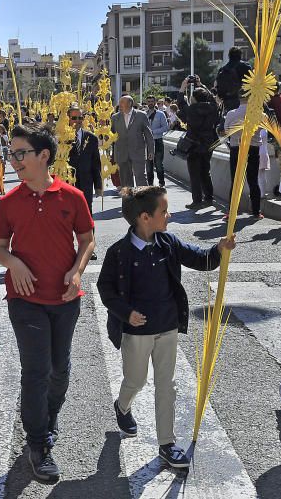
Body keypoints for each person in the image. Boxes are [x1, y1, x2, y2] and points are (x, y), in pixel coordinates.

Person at [97, 186, 234, 469]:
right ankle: (122, 407)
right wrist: (126, 313)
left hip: (168, 326)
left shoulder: (168, 243)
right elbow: (105, 288)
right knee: (136, 381)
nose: (169, 216)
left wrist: (219, 249)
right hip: (136, 332)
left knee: (166, 386)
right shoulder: (119, 252)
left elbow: (200, 259)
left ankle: (167, 444)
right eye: (164, 211)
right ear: (145, 217)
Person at [0, 123, 94, 483]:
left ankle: (48, 421)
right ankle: (38, 443)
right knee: (35, 371)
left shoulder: (73, 196)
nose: (14, 160)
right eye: (12, 153)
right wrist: (13, 263)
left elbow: (87, 239)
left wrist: (78, 272)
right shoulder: (8, 202)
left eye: (20, 153)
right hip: (25, 299)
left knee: (60, 369)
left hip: (65, 298)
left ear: (43, 156)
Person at [175, 83, 220, 208]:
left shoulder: (191, 110)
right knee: (205, 171)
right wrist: (201, 85)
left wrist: (183, 85)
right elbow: (212, 98)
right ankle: (209, 197)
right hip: (208, 144)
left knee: (194, 174)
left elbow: (180, 101)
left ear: (194, 98)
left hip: (193, 144)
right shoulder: (213, 108)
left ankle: (197, 200)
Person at [222, 101, 262, 217]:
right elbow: (262, 128)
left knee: (235, 181)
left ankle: (232, 211)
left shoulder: (231, 114)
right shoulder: (258, 113)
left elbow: (227, 131)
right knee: (253, 180)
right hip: (253, 147)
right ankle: (256, 211)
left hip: (236, 147)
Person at [110, 95, 154, 188]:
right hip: (122, 153)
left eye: (122, 102)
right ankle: (128, 202)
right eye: (120, 102)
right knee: (125, 181)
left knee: (141, 177)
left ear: (130, 103)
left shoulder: (141, 115)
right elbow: (111, 135)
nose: (119, 105)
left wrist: (150, 150)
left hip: (138, 152)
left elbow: (148, 134)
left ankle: (143, 200)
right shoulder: (115, 117)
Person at [67, 105, 102, 213]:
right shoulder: (60, 138)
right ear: (67, 118)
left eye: (80, 118)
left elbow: (96, 163)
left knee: (86, 214)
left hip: (86, 182)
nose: (77, 121)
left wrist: (98, 185)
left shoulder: (91, 138)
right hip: (67, 183)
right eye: (74, 118)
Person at [213, 46, 252, 112]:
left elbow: (217, 86)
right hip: (243, 101)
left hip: (227, 103)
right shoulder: (246, 67)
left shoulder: (223, 69)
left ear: (229, 56)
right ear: (240, 55)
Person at [144, 96, 169, 186]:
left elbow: (166, 127)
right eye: (148, 101)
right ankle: (150, 184)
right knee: (148, 165)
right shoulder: (144, 114)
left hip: (157, 141)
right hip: (147, 142)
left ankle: (161, 183)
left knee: (158, 164)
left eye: (152, 101)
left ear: (155, 102)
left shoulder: (160, 114)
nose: (150, 103)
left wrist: (153, 132)